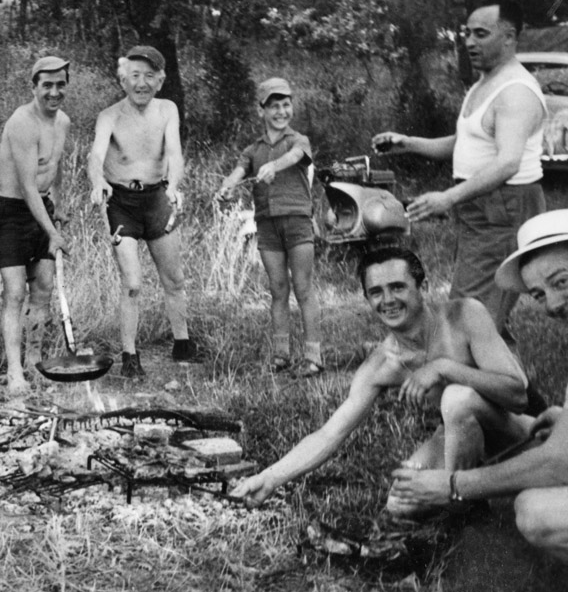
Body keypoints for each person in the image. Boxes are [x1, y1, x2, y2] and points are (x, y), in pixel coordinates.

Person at [232, 246, 532, 517]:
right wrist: (270, 478)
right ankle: (475, 503)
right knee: (400, 503)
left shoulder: (464, 315)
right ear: (367, 299)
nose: (387, 300)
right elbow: (329, 434)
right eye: (376, 292)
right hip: (460, 438)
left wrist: (444, 368)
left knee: (457, 399)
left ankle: (464, 501)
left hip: (519, 432)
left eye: (397, 287)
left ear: (422, 287)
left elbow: (518, 394)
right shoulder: (383, 363)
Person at [392, 209, 568, 561]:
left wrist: (456, 487)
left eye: (561, 281)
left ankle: (469, 512)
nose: (553, 304)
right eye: (538, 294)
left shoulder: (467, 314)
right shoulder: (387, 356)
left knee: (536, 513)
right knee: (399, 503)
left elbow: (559, 463)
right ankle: (470, 521)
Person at [372, 0, 546, 339]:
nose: (469, 42)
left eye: (481, 34)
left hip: (504, 209)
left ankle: (469, 378)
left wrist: (448, 197)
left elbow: (508, 161)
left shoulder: (517, 92)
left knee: (466, 319)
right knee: (479, 314)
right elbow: (465, 142)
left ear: (509, 37)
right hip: (481, 209)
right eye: (467, 33)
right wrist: (407, 142)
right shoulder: (483, 84)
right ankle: (500, 372)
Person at [87, 45, 194, 377]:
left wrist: (174, 185)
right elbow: (94, 156)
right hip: (121, 204)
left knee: (173, 278)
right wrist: (97, 183)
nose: (142, 83)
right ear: (123, 80)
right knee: (132, 282)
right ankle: (130, 356)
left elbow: (174, 154)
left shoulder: (167, 110)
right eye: (135, 76)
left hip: (157, 199)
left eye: (150, 76)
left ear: (160, 81)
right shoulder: (109, 116)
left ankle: (183, 343)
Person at [216, 77, 323, 376]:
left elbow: (297, 157)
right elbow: (238, 172)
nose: (281, 111)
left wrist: (274, 166)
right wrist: (227, 186)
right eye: (274, 106)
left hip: (298, 221)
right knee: (278, 289)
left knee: (303, 287)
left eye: (286, 105)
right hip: (267, 225)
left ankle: (313, 356)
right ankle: (281, 355)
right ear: (261, 110)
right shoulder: (253, 150)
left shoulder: (298, 140)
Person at [0, 56, 71, 396]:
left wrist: (60, 208)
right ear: (34, 87)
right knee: (15, 291)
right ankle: (14, 371)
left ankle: (35, 360)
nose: (54, 92)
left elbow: (55, 166)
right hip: (10, 211)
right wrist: (52, 232)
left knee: (45, 286)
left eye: (60, 85)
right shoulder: (22, 123)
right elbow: (25, 185)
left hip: (42, 206)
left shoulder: (63, 121)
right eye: (47, 85)